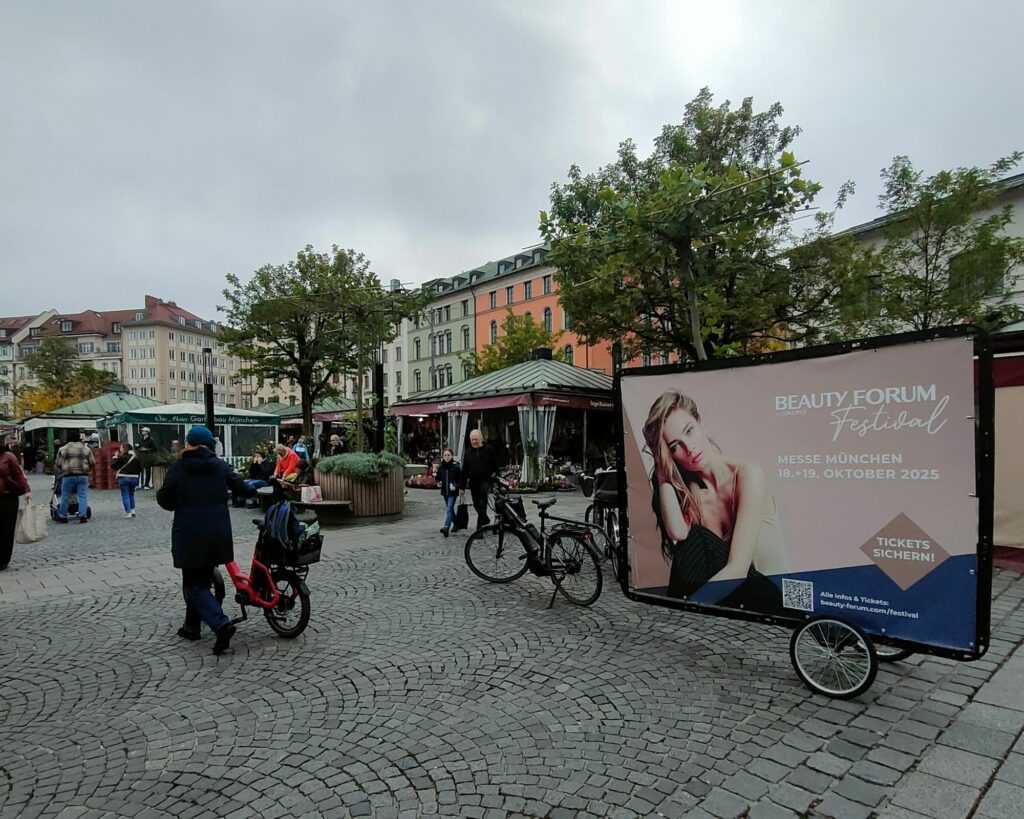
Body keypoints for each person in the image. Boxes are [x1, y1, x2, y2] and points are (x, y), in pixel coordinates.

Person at [642, 389, 784, 612]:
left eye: (689, 431)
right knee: (691, 537)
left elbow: (737, 569)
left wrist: (687, 610)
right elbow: (678, 533)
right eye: (675, 446)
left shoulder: (748, 475)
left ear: (700, 424)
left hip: (773, 597)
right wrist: (662, 472)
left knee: (697, 536)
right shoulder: (692, 493)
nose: (690, 449)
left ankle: (676, 613)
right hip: (734, 595)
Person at [156, 425, 249, 655]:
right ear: (209, 445)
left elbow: (165, 499)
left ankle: (221, 624)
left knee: (194, 584)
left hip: (190, 533)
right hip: (217, 532)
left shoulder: (179, 467)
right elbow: (240, 487)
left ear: (189, 444)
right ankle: (191, 626)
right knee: (202, 578)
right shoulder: (219, 465)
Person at [0, 439, 31, 571]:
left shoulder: (8, 456)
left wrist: (27, 490)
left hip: (7, 497)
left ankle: (3, 560)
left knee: (6, 530)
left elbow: (19, 474)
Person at [459, 429, 499, 530]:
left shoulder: (489, 450)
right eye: (472, 440)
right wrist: (461, 487)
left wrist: (496, 478)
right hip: (474, 482)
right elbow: (464, 471)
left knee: (482, 503)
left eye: (476, 439)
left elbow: (495, 465)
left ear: (481, 439)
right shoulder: (468, 453)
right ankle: (484, 518)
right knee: (476, 503)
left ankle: (479, 528)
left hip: (486, 481)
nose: (474, 442)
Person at [55, 432, 95, 524]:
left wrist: (63, 469)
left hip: (68, 476)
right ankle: (83, 515)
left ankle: (63, 516)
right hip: (82, 475)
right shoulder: (86, 449)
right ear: (79, 438)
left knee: (65, 495)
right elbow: (92, 462)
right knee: (82, 495)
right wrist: (88, 469)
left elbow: (58, 463)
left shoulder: (62, 449)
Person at [436, 448, 462, 537]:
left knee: (449, 508)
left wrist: (456, 486)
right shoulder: (441, 467)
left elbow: (460, 479)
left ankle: (446, 527)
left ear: (452, 456)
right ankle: (456, 523)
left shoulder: (456, 467)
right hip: (444, 491)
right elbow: (438, 478)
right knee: (450, 509)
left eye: (448, 455)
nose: (447, 457)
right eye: (445, 455)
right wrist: (439, 482)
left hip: (453, 491)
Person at [111, 443, 141, 518]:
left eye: (121, 448)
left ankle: (128, 512)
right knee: (131, 494)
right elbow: (140, 468)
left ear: (124, 449)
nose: (120, 449)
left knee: (125, 494)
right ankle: (133, 510)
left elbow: (114, 466)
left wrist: (115, 457)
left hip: (123, 477)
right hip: (134, 478)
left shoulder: (122, 457)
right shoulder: (136, 457)